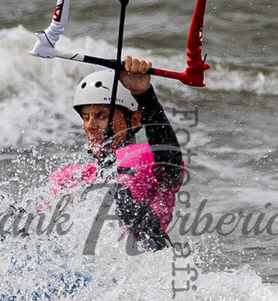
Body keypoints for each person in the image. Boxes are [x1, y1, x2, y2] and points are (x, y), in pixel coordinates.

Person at [46, 55, 185, 251]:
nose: (90, 126)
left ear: (135, 119)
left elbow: (171, 166)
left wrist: (145, 96)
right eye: (86, 117)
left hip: (138, 261)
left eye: (102, 116)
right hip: (75, 272)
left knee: (122, 199)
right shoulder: (68, 177)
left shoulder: (147, 157)